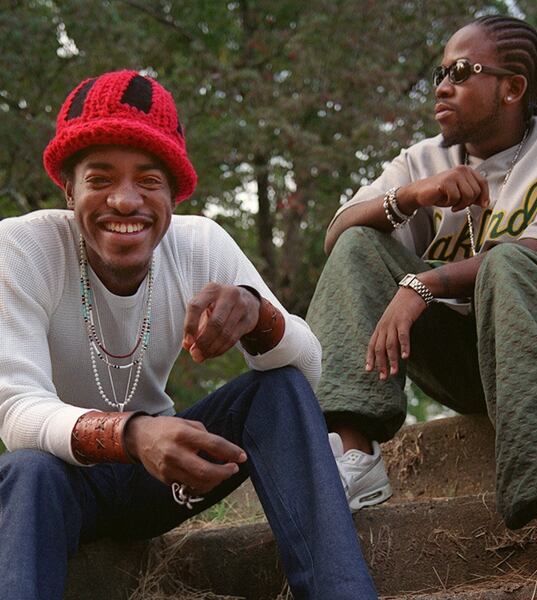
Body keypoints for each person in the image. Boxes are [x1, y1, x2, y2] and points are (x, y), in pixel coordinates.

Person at [0, 70, 378, 600]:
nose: (126, 201)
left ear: (174, 194)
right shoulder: (22, 248)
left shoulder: (198, 244)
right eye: (100, 179)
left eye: (149, 180)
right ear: (69, 189)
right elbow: (17, 411)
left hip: (162, 480)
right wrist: (132, 434)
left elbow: (307, 372)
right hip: (62, 487)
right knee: (26, 470)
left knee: (279, 387)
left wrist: (257, 315)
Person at [306, 14, 537, 581]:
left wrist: (424, 284)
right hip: (472, 364)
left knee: (512, 260)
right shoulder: (426, 159)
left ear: (512, 88)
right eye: (441, 72)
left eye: (462, 72)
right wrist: (411, 196)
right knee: (361, 242)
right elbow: (337, 235)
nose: (441, 85)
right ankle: (354, 453)